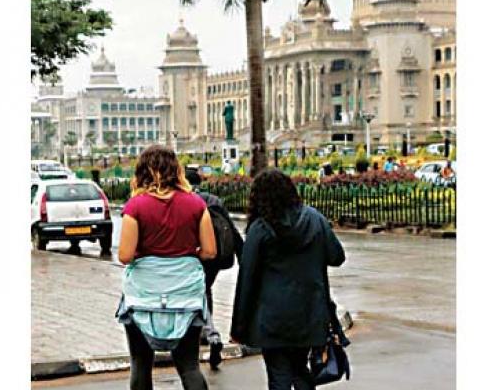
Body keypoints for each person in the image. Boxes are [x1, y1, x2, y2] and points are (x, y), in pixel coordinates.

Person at [231, 169, 346, 390]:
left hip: (272, 319)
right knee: (301, 371)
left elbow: (247, 280)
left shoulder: (261, 228)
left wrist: (239, 328)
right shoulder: (315, 219)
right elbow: (337, 257)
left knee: (279, 375)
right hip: (310, 313)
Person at [116, 145, 217, 390]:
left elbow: (125, 255)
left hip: (144, 295)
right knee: (189, 366)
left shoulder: (136, 207)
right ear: (176, 170)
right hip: (185, 296)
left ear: (143, 171)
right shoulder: (195, 204)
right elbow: (210, 251)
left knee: (140, 363)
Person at [185, 168, 244, 369]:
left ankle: (205, 332)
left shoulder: (185, 201)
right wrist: (241, 253)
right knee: (204, 289)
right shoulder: (213, 200)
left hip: (194, 255)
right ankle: (208, 333)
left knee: (196, 292)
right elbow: (230, 227)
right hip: (216, 257)